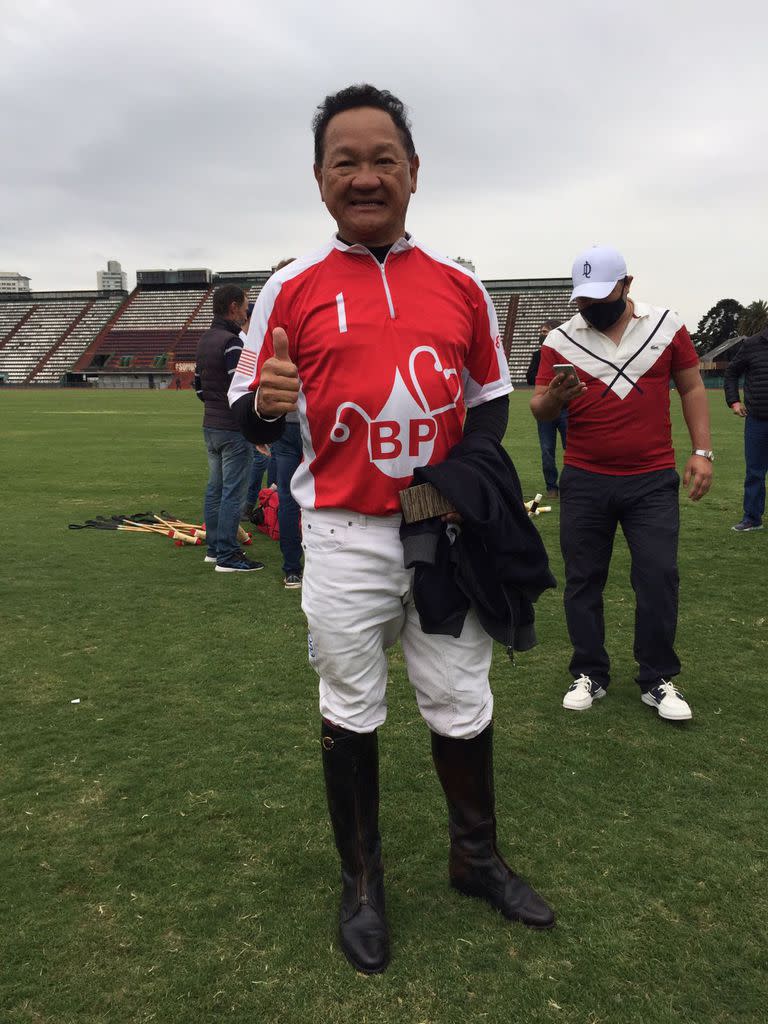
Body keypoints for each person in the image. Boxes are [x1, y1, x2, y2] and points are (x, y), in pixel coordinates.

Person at [229, 84, 554, 974]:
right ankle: (363, 883)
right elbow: (250, 415)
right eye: (348, 161)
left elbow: (488, 406)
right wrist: (266, 407)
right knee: (351, 704)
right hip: (340, 534)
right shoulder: (289, 289)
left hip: (441, 532)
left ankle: (474, 860)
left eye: (384, 160)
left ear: (414, 172)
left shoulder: (459, 285)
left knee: (460, 698)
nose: (366, 176)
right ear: (319, 176)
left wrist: (452, 485)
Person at [530, 245, 713, 722]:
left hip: (651, 479)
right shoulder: (562, 339)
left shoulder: (666, 325)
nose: (589, 307)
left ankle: (656, 678)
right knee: (583, 579)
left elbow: (692, 385)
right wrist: (555, 398)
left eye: (600, 295)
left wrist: (702, 451)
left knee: (657, 576)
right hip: (586, 478)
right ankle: (589, 671)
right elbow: (539, 409)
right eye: (583, 299)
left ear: (626, 285)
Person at [194, 285, 264, 573]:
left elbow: (199, 388)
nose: (247, 311)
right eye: (246, 305)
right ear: (234, 307)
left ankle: (215, 548)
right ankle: (228, 555)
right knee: (232, 492)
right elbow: (242, 389)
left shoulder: (205, 340)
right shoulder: (234, 343)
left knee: (215, 488)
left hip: (210, 424)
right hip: (233, 428)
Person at [723, 326, 768, 531]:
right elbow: (731, 372)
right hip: (757, 419)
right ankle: (752, 518)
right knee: (755, 472)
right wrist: (734, 401)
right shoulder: (752, 344)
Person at [526, 320, 567, 497]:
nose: (541, 334)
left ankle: (569, 484)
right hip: (545, 409)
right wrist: (545, 377)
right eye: (540, 331)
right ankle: (551, 486)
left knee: (570, 448)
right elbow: (529, 377)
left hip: (566, 409)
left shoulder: (567, 353)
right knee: (547, 449)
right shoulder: (537, 355)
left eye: (544, 331)